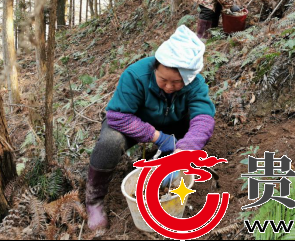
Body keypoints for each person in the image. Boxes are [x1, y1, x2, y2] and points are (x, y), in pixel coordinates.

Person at [85, 25, 215, 230]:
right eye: (163, 80)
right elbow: (118, 116)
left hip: (174, 124)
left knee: (194, 133)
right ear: (156, 67)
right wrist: (156, 136)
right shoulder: (136, 76)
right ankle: (94, 201)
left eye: (177, 83)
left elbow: (204, 118)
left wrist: (185, 149)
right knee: (110, 142)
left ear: (188, 79)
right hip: (133, 123)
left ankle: (170, 159)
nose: (169, 87)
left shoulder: (195, 83)